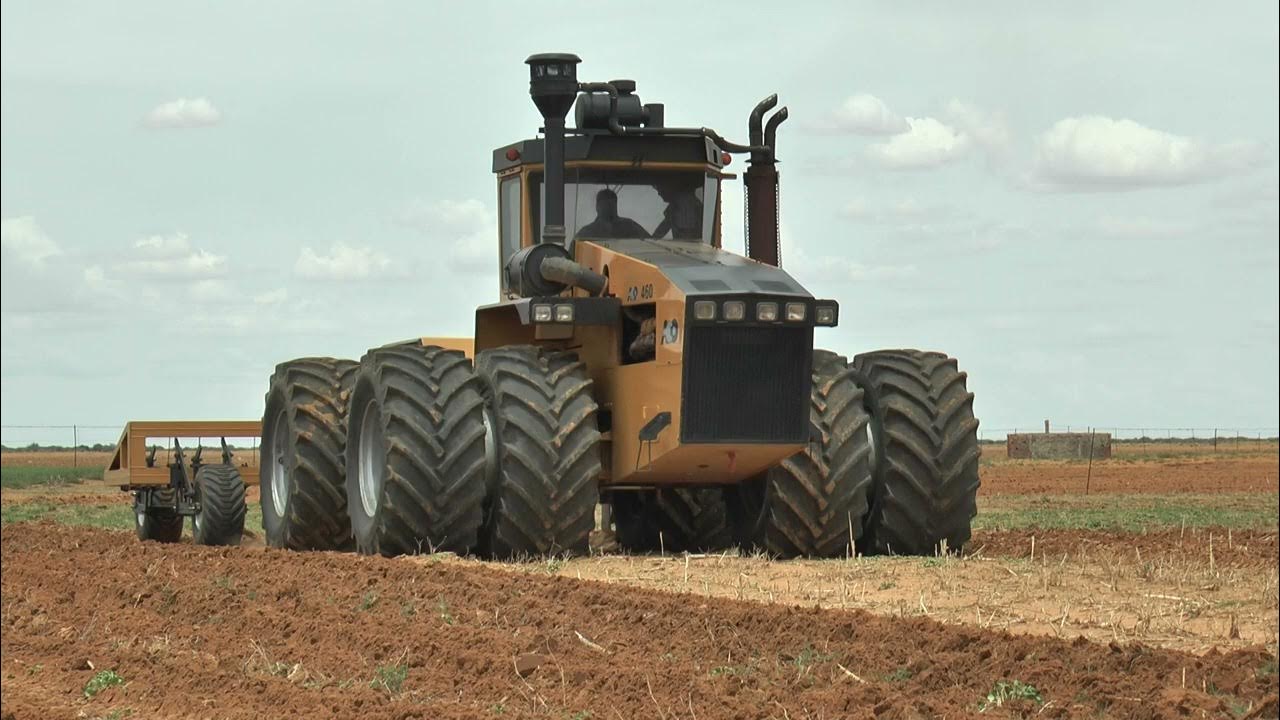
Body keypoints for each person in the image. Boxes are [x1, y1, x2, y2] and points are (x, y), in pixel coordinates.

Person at [575, 189, 649, 239]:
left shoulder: (630, 227)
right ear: (597, 206)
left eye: (610, 203)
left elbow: (652, 244)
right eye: (605, 203)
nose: (608, 207)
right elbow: (569, 259)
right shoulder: (586, 233)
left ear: (616, 205)